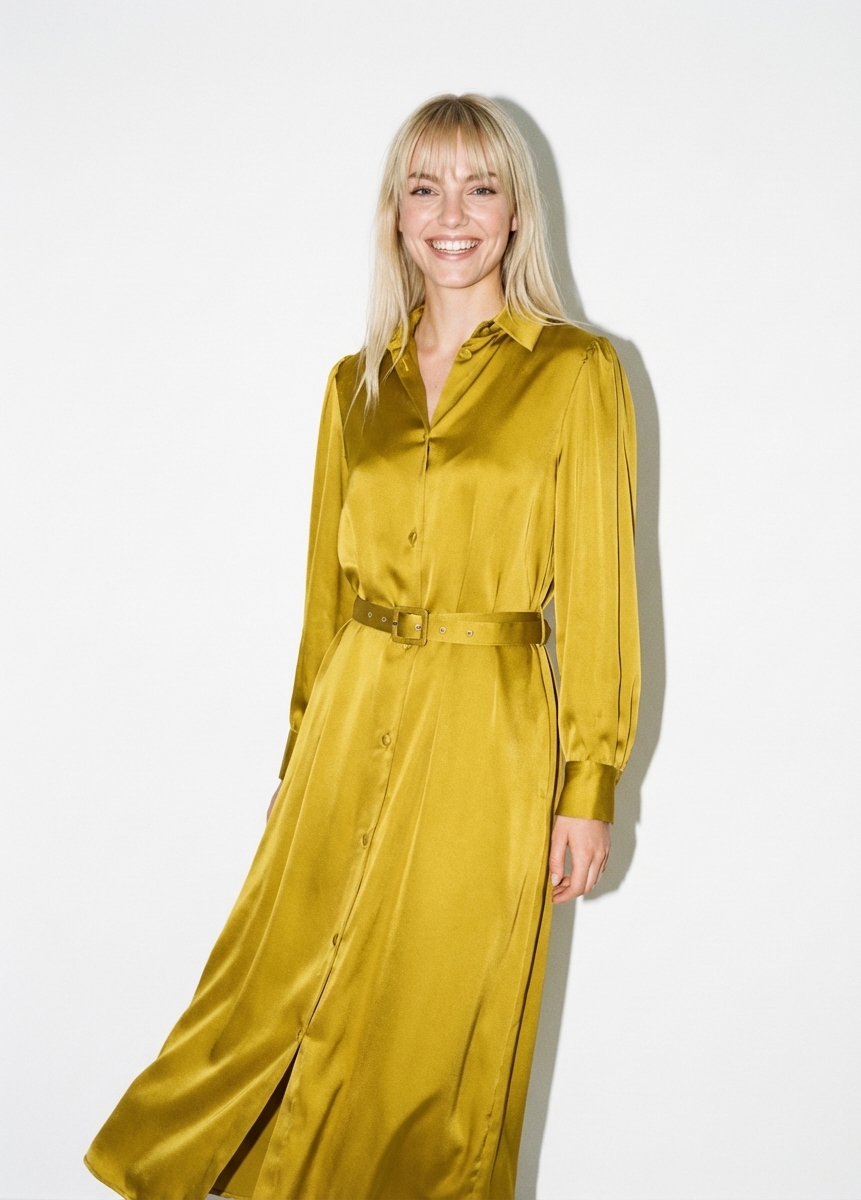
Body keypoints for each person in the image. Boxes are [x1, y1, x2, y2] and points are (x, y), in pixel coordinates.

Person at [85, 92, 640, 1200]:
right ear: (394, 214)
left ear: (517, 213)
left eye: (479, 186)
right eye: (424, 188)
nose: (452, 215)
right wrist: (298, 759)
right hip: (348, 722)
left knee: (440, 1030)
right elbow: (324, 601)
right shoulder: (355, 385)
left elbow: (600, 593)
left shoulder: (576, 372)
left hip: (485, 733)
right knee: (278, 993)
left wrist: (588, 784)